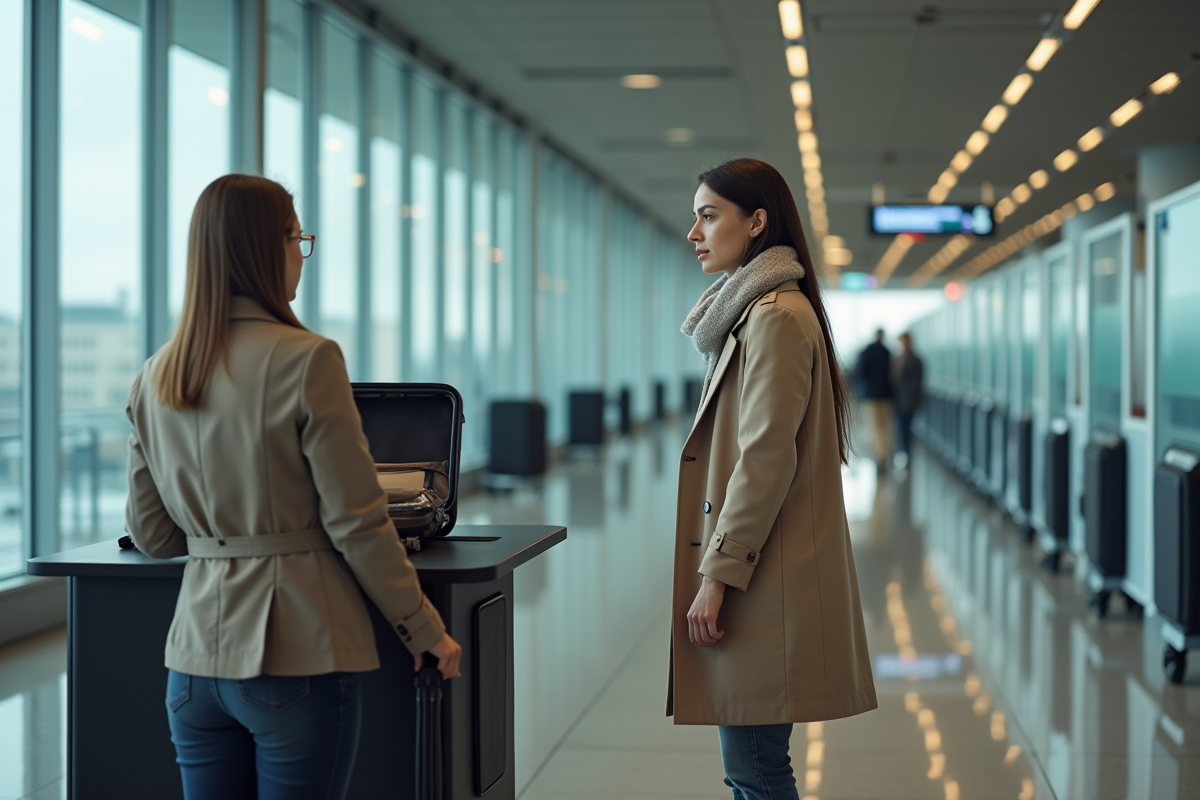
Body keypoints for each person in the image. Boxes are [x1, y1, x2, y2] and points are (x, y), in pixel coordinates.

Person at [124, 174, 462, 800]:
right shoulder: (307, 359)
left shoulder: (156, 374)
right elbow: (357, 523)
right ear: (271, 247)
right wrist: (423, 629)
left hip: (193, 667)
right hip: (295, 656)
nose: (301, 255)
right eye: (298, 239)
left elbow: (153, 535)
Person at [677, 158, 877, 799]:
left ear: (756, 222)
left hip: (761, 574)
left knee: (756, 770)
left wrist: (716, 576)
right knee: (753, 768)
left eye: (709, 216)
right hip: (761, 566)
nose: (695, 232)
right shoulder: (755, 313)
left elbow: (764, 459)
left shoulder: (775, 317)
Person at [854, 329, 894, 471]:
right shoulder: (887, 353)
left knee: (875, 427)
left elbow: (858, 374)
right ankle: (883, 454)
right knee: (884, 427)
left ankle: (879, 455)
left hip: (870, 396)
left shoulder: (866, 353)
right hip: (885, 396)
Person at [893, 331, 924, 468]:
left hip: (908, 401)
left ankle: (907, 454)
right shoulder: (897, 359)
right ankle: (904, 453)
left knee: (906, 428)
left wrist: (912, 399)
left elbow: (917, 382)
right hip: (898, 400)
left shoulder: (915, 360)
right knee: (900, 428)